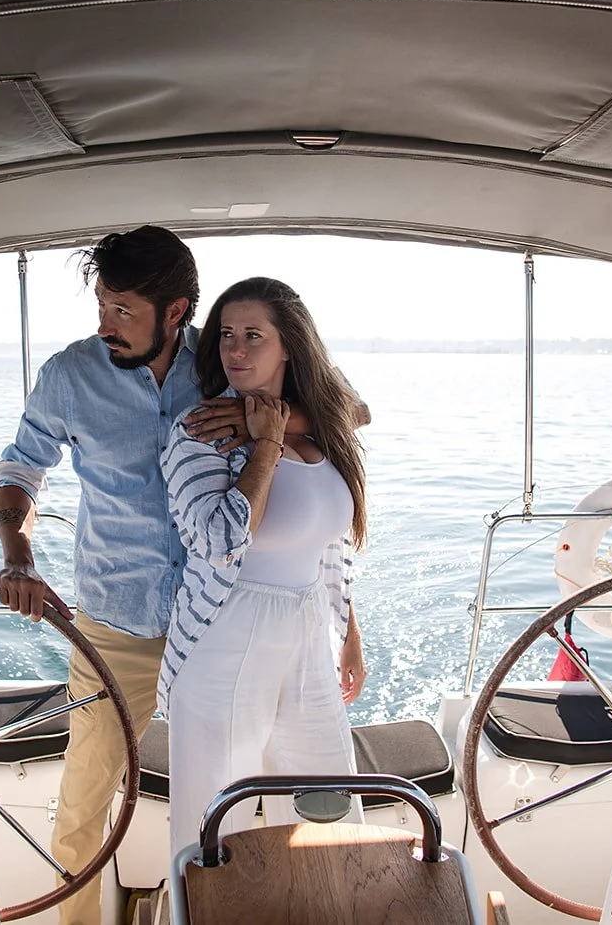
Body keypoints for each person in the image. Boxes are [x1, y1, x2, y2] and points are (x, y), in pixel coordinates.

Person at [0, 227, 317, 925]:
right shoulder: (69, 375)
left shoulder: (230, 357)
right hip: (117, 625)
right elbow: (21, 467)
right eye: (103, 305)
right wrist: (18, 554)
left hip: (222, 626)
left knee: (240, 798)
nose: (104, 325)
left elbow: (350, 413)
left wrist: (272, 424)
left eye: (123, 310)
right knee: (84, 809)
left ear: (176, 310)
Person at [158, 276, 368, 861]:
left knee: (329, 809)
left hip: (306, 633)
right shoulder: (199, 432)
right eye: (227, 335)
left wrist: (348, 633)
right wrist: (266, 446)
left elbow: (328, 548)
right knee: (213, 835)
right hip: (227, 633)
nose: (236, 350)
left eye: (255, 335)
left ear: (289, 347)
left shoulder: (325, 429)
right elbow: (218, 539)